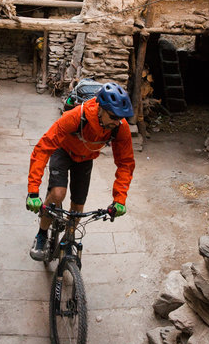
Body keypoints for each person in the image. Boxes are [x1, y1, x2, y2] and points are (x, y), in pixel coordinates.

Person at [26, 81, 135, 260]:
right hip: (63, 151)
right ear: (101, 108)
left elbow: (126, 163)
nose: (117, 121)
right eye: (113, 116)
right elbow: (43, 148)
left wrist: (119, 200)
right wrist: (32, 191)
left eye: (121, 117)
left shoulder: (119, 126)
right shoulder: (77, 116)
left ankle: (69, 238)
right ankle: (42, 234)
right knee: (58, 194)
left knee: (77, 206)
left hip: (85, 159)